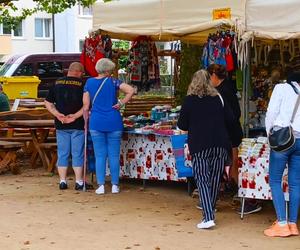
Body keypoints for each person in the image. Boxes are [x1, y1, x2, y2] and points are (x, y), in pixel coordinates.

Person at [177, 69, 234, 229]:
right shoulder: (218, 98)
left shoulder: (189, 100)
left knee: (202, 179)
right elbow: (230, 118)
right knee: (215, 177)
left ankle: (208, 216)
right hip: (220, 143)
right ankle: (211, 206)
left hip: (200, 144)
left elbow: (182, 125)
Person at [207, 64, 263, 215]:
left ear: (214, 75)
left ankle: (247, 198)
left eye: (209, 76)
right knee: (232, 165)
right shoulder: (228, 88)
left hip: (229, 134)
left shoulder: (222, 91)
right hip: (231, 133)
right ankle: (240, 195)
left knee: (233, 166)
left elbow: (232, 115)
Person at [83, 58, 134, 195]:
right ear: (107, 70)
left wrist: (85, 117)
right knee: (113, 155)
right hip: (114, 121)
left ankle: (100, 185)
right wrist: (121, 103)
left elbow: (86, 106)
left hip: (96, 122)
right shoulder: (113, 81)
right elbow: (130, 90)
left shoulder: (89, 82)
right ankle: (114, 185)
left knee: (100, 155)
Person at [45, 62, 92, 191]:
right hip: (78, 125)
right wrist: (75, 116)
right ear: (79, 72)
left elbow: (48, 102)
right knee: (78, 154)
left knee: (63, 153)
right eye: (82, 73)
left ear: (69, 71)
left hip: (61, 124)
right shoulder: (83, 85)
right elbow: (86, 105)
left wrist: (57, 114)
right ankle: (79, 182)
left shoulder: (57, 83)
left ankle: (62, 181)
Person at [264, 72, 300, 237]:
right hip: (299, 141)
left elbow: (271, 112)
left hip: (283, 138)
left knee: (275, 180)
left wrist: (269, 131)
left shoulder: (281, 88)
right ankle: (293, 224)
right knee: (295, 183)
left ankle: (282, 223)